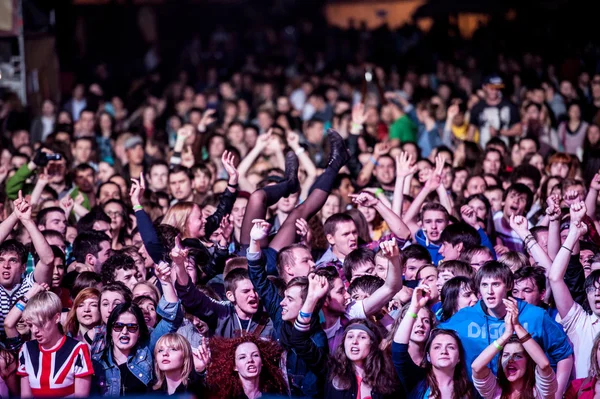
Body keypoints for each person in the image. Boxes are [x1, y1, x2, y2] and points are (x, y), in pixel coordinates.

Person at [392, 286, 475, 398]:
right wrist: (414, 307)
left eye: (451, 347)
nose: (444, 351)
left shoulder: (471, 391)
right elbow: (398, 350)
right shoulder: (418, 382)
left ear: (459, 357)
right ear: (428, 356)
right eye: (437, 347)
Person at [17, 291, 94, 398]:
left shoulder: (78, 349)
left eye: (40, 324)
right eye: (30, 325)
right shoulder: (26, 349)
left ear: (56, 318)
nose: (34, 330)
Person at [205, 334, 288, 399]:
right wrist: (201, 370)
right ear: (235, 367)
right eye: (242, 357)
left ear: (262, 362)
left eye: (255, 355)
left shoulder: (275, 393)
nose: (250, 360)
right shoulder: (226, 396)